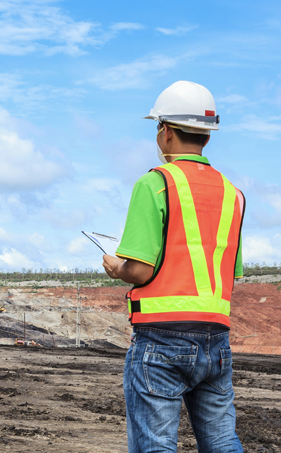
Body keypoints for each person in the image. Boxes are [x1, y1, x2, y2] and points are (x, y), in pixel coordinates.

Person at [102, 81, 245, 453]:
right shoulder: (233, 194)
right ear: (207, 137)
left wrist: (118, 267)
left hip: (161, 341)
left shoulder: (155, 184)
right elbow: (229, 272)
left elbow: (141, 271)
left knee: (156, 446)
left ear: (165, 132)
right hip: (216, 342)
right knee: (222, 443)